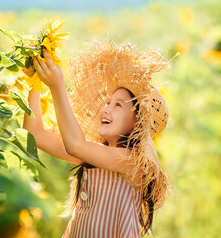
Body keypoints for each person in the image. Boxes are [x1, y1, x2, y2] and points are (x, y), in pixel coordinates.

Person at [23, 39, 176, 237]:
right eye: (108, 102)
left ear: (137, 121)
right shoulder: (93, 155)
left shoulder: (132, 162)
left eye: (118, 105)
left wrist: (56, 86)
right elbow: (35, 136)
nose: (106, 108)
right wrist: (35, 81)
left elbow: (74, 145)